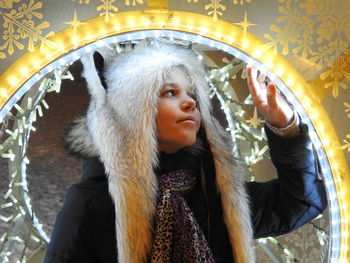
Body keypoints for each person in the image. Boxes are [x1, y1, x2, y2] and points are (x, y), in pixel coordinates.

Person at [44, 39, 327, 263]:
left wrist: (284, 127)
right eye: (170, 93)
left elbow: (301, 202)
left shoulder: (216, 197)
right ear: (131, 109)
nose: (190, 103)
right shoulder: (92, 203)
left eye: (191, 93)